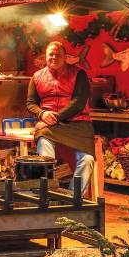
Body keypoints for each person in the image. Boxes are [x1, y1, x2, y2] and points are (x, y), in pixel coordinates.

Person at [27, 41, 96, 197]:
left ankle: (73, 198)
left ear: (66, 57)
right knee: (45, 157)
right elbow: (31, 103)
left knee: (87, 160)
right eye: (50, 54)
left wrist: (55, 117)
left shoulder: (79, 74)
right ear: (45, 57)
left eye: (58, 54)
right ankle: (48, 194)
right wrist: (42, 114)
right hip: (49, 125)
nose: (54, 57)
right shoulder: (37, 77)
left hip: (78, 123)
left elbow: (79, 102)